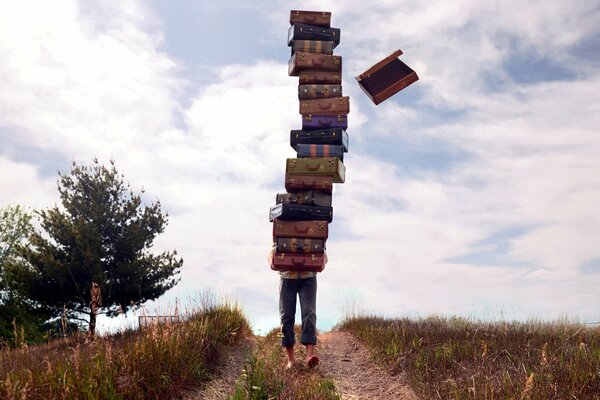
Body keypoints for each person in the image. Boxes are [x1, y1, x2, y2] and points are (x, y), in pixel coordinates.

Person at [269, 244, 327, 369]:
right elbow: (272, 252)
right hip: (287, 277)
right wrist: (272, 261)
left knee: (309, 313)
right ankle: (291, 360)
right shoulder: (283, 229)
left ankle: (309, 356)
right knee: (286, 317)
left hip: (308, 277)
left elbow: (323, 253)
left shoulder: (313, 230)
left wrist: (323, 262)